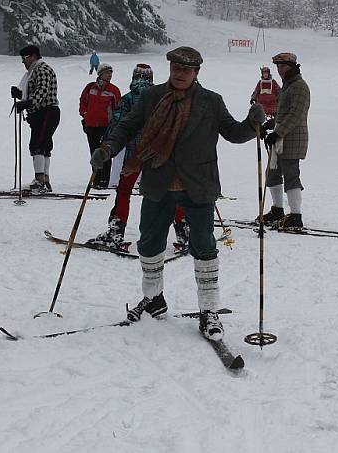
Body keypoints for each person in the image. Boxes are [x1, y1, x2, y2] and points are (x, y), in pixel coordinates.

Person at [89, 46, 266, 340]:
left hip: (198, 186)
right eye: (176, 68)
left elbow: (234, 133)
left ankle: (208, 310)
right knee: (149, 244)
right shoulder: (151, 97)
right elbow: (126, 127)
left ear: (197, 72)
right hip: (159, 183)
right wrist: (107, 148)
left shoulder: (211, 101)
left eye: (187, 70)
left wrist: (252, 124)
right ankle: (153, 299)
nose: (180, 74)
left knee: (204, 247)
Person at [88, 63, 153, 249]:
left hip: (134, 154)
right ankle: (183, 229)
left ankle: (116, 231)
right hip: (158, 153)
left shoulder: (128, 99)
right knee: (166, 192)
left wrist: (105, 145)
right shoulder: (160, 98)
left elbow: (117, 124)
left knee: (124, 191)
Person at [261, 52, 310, 230]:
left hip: (293, 138)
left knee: (291, 175)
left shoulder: (299, 86)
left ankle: (296, 215)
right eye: (278, 67)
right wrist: (270, 125)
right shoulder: (287, 85)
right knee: (272, 173)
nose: (280, 70)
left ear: (292, 67)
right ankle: (277, 210)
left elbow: (296, 115)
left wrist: (277, 132)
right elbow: (283, 114)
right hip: (281, 138)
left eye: (283, 67)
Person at [11, 45, 60, 194]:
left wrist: (28, 102)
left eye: (24, 59)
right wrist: (20, 95)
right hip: (42, 112)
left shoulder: (42, 70)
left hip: (46, 111)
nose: (23, 62)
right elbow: (34, 91)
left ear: (32, 56)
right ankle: (44, 180)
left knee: (38, 145)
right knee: (43, 145)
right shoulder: (32, 73)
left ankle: (40, 181)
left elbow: (42, 91)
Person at [80, 63, 121, 189]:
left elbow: (118, 108)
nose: (110, 75)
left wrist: (114, 123)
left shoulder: (114, 90)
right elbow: (83, 102)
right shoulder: (90, 87)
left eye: (111, 72)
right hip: (91, 125)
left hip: (106, 127)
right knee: (93, 152)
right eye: (107, 72)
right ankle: (95, 179)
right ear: (100, 74)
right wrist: (85, 115)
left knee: (104, 152)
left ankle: (104, 179)